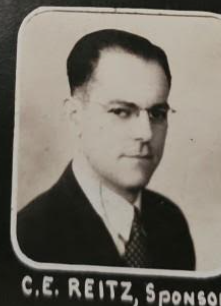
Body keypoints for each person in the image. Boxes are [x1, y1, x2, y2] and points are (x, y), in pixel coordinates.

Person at [16, 28, 195, 270]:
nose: (146, 133)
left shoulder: (171, 223)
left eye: (157, 114)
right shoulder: (28, 237)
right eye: (121, 111)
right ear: (75, 115)